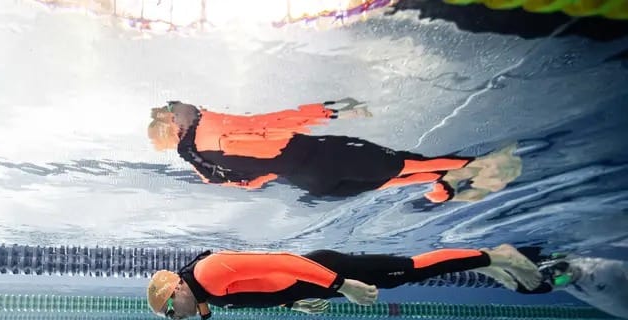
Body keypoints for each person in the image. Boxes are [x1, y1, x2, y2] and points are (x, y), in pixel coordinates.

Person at [147, 99, 522, 202]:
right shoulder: (210, 126)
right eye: (176, 108)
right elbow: (272, 122)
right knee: (402, 162)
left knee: (384, 181)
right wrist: (332, 110)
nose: (186, 106)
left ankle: (443, 188)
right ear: (175, 122)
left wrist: (275, 167)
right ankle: (484, 166)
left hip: (310, 182)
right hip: (323, 156)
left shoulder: (198, 162)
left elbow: (251, 182)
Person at [146, 244, 542, 320]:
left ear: (176, 290)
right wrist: (292, 303)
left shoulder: (208, 272)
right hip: (318, 285)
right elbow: (259, 288)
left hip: (325, 270)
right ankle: (488, 264)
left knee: (411, 268)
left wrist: (343, 285)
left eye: (169, 312)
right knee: (404, 276)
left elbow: (284, 261)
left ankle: (497, 257)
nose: (174, 318)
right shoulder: (206, 294)